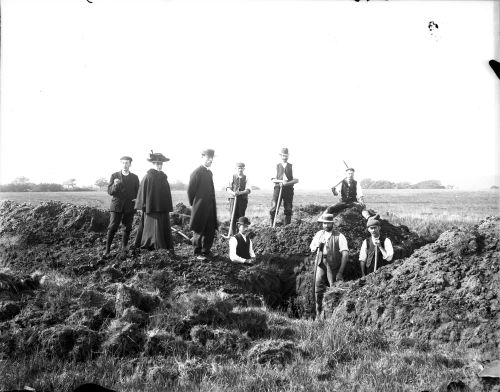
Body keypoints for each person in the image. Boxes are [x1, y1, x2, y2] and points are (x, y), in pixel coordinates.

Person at [309, 213, 349, 317]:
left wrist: (340, 272)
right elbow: (312, 246)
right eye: (324, 223)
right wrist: (316, 245)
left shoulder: (340, 236)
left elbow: (345, 255)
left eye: (328, 223)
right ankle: (318, 313)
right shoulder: (319, 234)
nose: (326, 225)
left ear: (332, 224)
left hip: (333, 264)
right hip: (320, 262)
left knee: (333, 288)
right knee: (317, 286)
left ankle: (334, 314)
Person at [134, 151, 174, 253]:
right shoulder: (148, 176)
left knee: (162, 227)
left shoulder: (164, 177)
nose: (159, 165)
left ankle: (163, 246)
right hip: (151, 208)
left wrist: (167, 206)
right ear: (153, 164)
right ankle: (150, 244)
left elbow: (167, 193)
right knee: (152, 228)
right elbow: (142, 191)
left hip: (162, 208)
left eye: (161, 163)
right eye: (157, 163)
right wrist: (142, 205)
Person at [104, 156, 140, 257]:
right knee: (112, 227)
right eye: (123, 163)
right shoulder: (114, 175)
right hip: (116, 206)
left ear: (130, 164)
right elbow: (109, 192)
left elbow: (138, 192)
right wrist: (114, 185)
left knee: (127, 228)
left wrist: (137, 199)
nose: (125, 165)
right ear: (121, 163)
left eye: (127, 163)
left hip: (129, 206)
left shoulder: (135, 177)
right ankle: (107, 250)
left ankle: (124, 249)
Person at [187, 149, 218, 260]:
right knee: (199, 229)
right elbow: (191, 191)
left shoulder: (209, 173)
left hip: (210, 207)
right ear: (202, 157)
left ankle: (206, 250)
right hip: (200, 207)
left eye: (211, 158)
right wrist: (195, 205)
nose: (210, 160)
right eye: (208, 157)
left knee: (210, 229)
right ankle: (197, 252)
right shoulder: (196, 172)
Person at [269, 147, 299, 226]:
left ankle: (287, 227)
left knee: (288, 208)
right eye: (283, 155)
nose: (284, 157)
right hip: (278, 188)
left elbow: (296, 180)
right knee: (274, 207)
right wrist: (281, 181)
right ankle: (272, 225)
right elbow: (272, 180)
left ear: (288, 156)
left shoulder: (292, 166)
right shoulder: (276, 166)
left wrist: (287, 183)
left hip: (288, 189)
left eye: (286, 156)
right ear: (280, 156)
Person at [226, 162, 251, 235]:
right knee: (232, 217)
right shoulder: (232, 176)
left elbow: (248, 190)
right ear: (236, 168)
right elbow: (228, 188)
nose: (240, 169)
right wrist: (233, 193)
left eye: (242, 168)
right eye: (239, 168)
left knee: (241, 218)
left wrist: (241, 193)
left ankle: (240, 234)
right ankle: (233, 234)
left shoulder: (246, 178)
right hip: (233, 199)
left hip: (242, 200)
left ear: (244, 169)